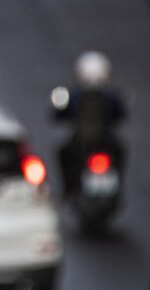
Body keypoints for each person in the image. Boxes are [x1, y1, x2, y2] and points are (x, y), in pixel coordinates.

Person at [54, 52, 126, 197]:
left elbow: (59, 114)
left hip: (81, 142)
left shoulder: (75, 95)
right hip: (105, 141)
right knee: (121, 151)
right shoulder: (110, 96)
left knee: (63, 153)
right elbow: (121, 113)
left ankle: (68, 189)